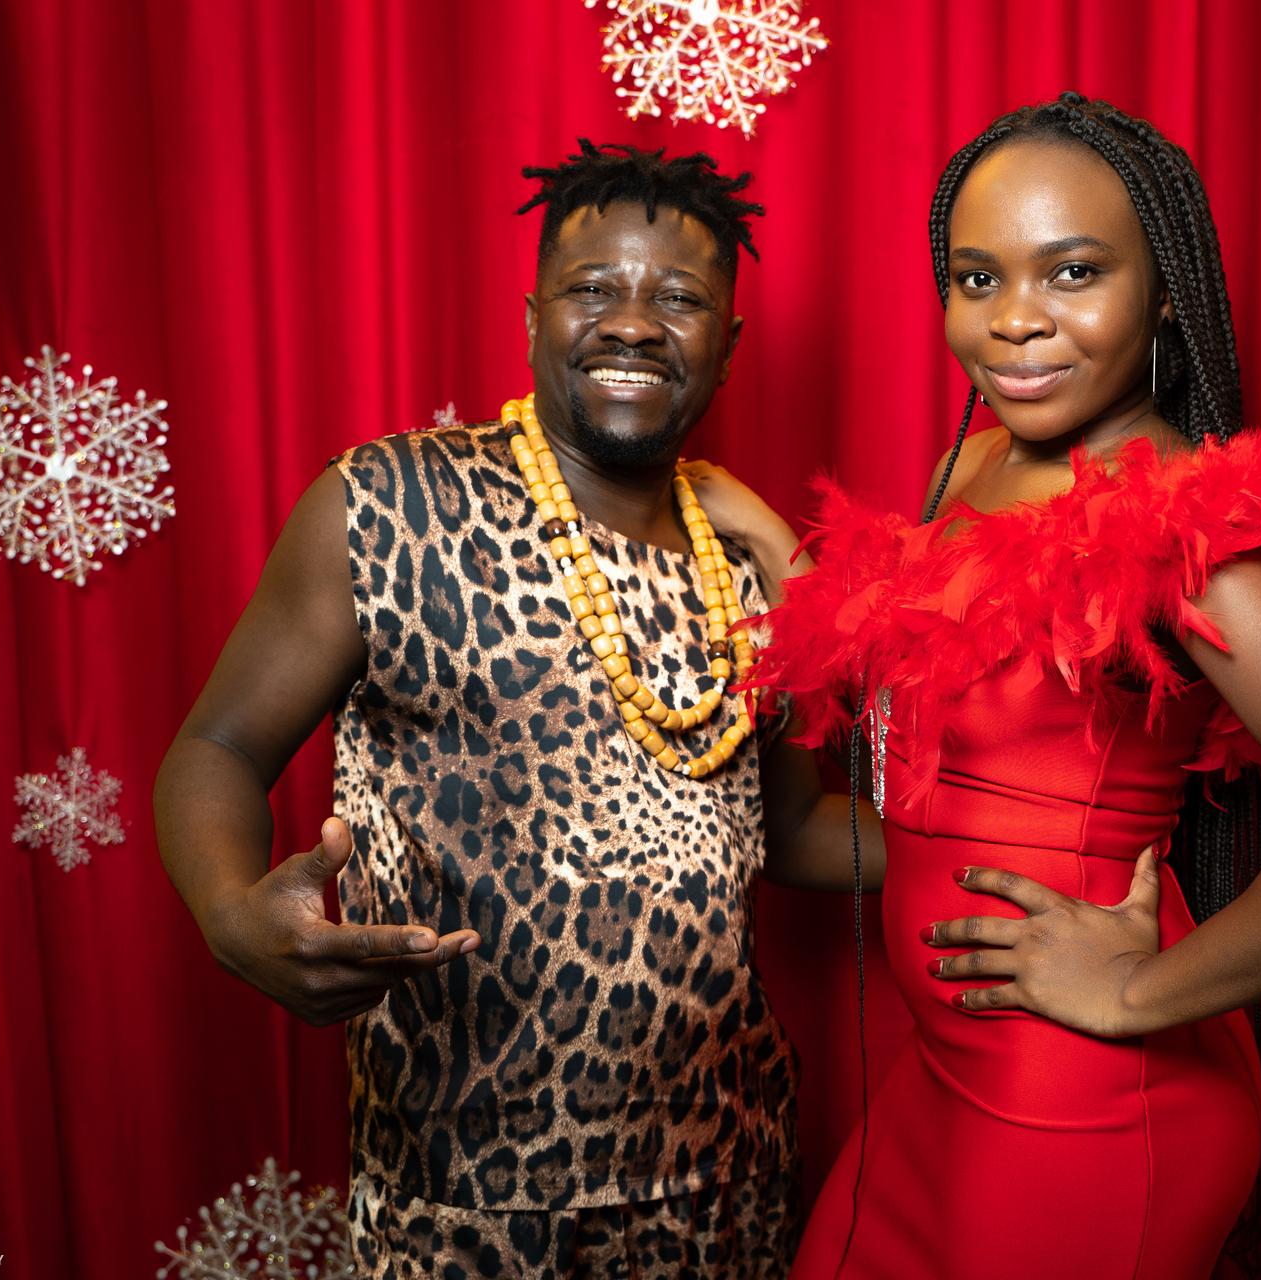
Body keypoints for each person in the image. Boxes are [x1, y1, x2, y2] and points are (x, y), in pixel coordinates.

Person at [707, 93, 1261, 1278]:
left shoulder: (1183, 529)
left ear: (1166, 290)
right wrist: (774, 556)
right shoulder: (971, 466)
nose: (1015, 319)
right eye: (977, 279)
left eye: (1072, 271)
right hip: (940, 1077)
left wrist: (1139, 991)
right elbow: (915, 799)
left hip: (1074, 1101)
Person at [154, 140, 856, 1280]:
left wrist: (1029, 849)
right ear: (534, 318)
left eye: (679, 300)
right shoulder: (384, 502)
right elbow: (217, 747)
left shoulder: (743, 562)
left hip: (725, 1177)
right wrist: (232, 913)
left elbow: (795, 826)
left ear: (727, 345)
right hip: (463, 1193)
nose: (634, 324)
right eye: (594, 288)